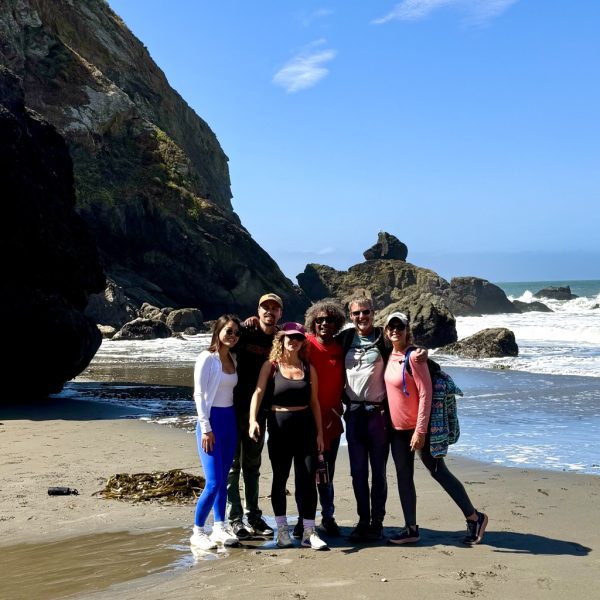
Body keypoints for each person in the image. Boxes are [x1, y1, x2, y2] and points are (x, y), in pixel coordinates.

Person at [383, 311, 488, 545]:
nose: (395, 331)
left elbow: (425, 393)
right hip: (396, 429)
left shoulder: (414, 358)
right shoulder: (388, 354)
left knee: (438, 471)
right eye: (391, 327)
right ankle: (411, 529)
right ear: (386, 330)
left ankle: (475, 517)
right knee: (403, 476)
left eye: (400, 327)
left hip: (419, 429)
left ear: (407, 330)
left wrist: (420, 431)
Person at [249, 322, 328, 550]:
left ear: (303, 341)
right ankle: (282, 531)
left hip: (306, 429)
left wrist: (320, 434)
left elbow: (314, 403)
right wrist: (253, 420)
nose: (293, 341)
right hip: (279, 429)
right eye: (289, 337)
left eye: (298, 338)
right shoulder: (271, 366)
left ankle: (308, 533)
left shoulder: (308, 368)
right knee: (280, 479)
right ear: (281, 340)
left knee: (306, 481)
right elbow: (258, 392)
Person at [227, 293, 283, 539]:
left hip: (262, 411)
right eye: (265, 307)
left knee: (253, 465)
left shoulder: (281, 339)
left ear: (280, 313)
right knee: (233, 467)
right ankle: (234, 519)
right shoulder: (246, 333)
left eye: (275, 308)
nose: (269, 311)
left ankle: (254, 517)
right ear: (258, 311)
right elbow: (223, 341)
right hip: (234, 406)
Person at [293, 300, 346, 539]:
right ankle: (304, 520)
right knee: (305, 474)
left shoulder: (341, 347)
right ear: (312, 322)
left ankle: (328, 517)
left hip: (332, 422)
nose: (324, 323)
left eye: (329, 320)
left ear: (337, 323)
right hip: (305, 421)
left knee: (326, 474)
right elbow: (280, 347)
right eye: (320, 320)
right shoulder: (305, 345)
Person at [190, 315, 242, 551]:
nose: (232, 336)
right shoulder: (206, 358)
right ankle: (198, 531)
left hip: (229, 422)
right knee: (213, 482)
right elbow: (199, 395)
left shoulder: (232, 358)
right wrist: (206, 428)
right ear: (218, 330)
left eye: (236, 333)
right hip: (211, 424)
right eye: (229, 331)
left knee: (224, 480)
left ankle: (220, 526)